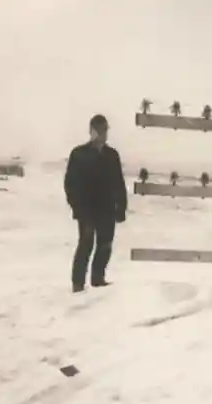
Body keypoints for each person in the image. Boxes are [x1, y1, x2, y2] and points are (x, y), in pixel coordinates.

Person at [64, 114, 127, 293]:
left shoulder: (112, 155)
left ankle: (98, 280)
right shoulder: (79, 154)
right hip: (87, 210)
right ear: (91, 131)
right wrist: (76, 207)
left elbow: (119, 183)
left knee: (105, 245)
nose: (102, 134)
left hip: (107, 210)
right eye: (98, 130)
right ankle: (78, 284)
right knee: (86, 244)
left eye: (105, 130)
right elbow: (70, 184)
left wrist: (121, 207)